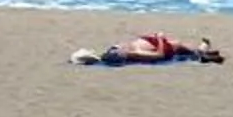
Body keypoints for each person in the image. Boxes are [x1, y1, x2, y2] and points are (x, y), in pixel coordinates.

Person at [73, 33, 224, 66]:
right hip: (161, 48)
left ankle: (203, 53)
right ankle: (203, 51)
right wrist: (159, 38)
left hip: (150, 42)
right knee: (177, 45)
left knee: (180, 46)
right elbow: (158, 55)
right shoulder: (134, 54)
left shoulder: (112, 52)